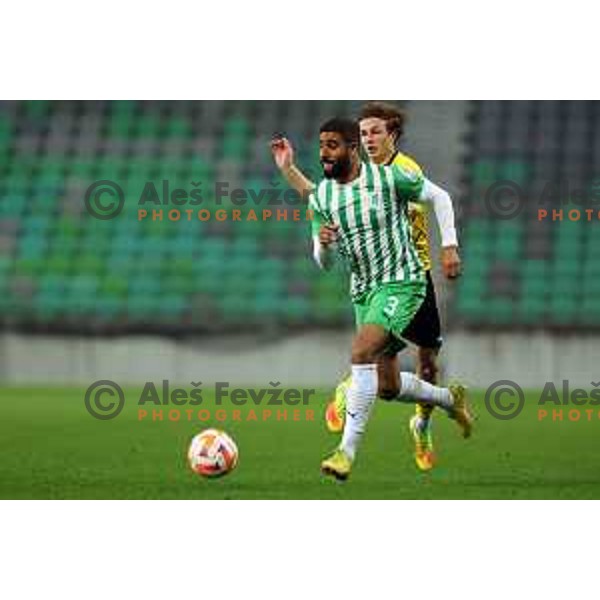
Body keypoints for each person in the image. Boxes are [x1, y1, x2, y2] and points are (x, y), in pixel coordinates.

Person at [270, 102, 461, 471]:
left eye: (375, 131)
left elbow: (438, 196)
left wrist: (448, 246)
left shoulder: (397, 174)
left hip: (409, 275)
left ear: (390, 135)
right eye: (365, 131)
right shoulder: (329, 193)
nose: (369, 137)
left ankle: (363, 443)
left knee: (407, 359)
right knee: (386, 385)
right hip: (366, 287)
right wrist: (322, 238)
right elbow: (323, 202)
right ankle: (448, 400)